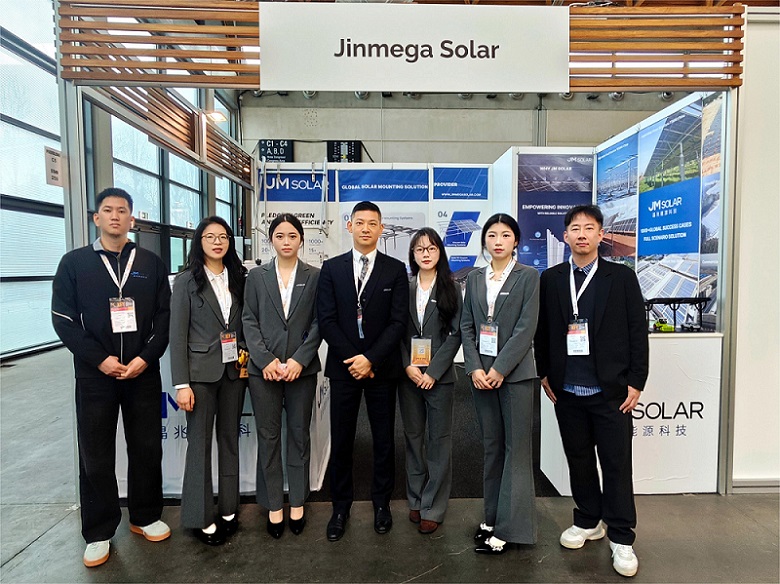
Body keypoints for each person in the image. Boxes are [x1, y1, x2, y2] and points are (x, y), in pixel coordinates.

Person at [51, 187, 171, 567]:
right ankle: (99, 530)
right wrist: (99, 359)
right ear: (96, 218)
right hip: (95, 375)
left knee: (147, 446)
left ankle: (145, 515)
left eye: (122, 211)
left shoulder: (150, 263)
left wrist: (145, 358)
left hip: (141, 373)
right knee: (96, 452)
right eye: (108, 210)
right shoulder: (74, 264)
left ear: (131, 219)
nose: (115, 216)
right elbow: (63, 320)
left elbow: (164, 317)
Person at [534, 204, 648, 578]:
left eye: (589, 228)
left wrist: (636, 380)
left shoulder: (622, 278)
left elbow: (637, 331)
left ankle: (621, 536)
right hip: (567, 390)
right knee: (579, 459)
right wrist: (544, 372)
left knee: (616, 465)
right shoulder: (551, 279)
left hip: (611, 392)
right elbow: (542, 332)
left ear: (601, 235)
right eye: (575, 228)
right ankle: (587, 519)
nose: (581, 234)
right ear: (565, 236)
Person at [317, 201, 408, 541]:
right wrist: (354, 359)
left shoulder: (395, 269)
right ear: (350, 226)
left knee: (384, 440)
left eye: (373, 223)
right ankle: (340, 507)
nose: (366, 228)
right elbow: (326, 319)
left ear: (381, 228)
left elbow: (398, 322)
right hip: (344, 370)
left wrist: (370, 359)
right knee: (342, 440)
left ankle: (382, 503)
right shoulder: (332, 268)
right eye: (360, 222)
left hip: (381, 369)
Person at [460, 213, 539, 555]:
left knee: (515, 450)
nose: (498, 241)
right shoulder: (475, 278)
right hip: (481, 376)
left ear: (515, 241)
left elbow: (526, 328)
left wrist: (501, 369)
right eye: (492, 235)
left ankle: (511, 529)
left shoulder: (529, 276)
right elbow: (466, 326)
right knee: (492, 447)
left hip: (515, 375)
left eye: (505, 235)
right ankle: (492, 518)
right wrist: (475, 368)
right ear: (485, 241)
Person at [243, 214, 321, 539]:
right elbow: (248, 320)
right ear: (271, 240)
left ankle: (298, 501)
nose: (286, 241)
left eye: (292, 235)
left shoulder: (315, 276)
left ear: (301, 239)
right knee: (269, 437)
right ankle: (274, 505)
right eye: (279, 235)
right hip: (265, 372)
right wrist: (266, 360)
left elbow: (320, 322)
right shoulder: (256, 277)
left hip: (302, 371)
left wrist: (300, 360)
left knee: (299, 436)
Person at [170, 216, 247, 546]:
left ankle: (229, 508)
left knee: (230, 440)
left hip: (234, 372)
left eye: (223, 236)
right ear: (199, 241)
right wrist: (181, 384)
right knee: (199, 445)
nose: (218, 242)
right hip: (200, 375)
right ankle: (199, 518)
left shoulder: (239, 277)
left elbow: (245, 323)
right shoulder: (187, 281)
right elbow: (177, 334)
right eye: (210, 236)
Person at [398, 228, 462, 535]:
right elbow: (396, 331)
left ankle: (433, 505)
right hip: (409, 376)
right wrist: (407, 366)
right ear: (412, 254)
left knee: (438, 441)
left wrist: (434, 371)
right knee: (413, 438)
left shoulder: (452, 288)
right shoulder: (405, 287)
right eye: (420, 249)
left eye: (432, 248)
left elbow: (456, 334)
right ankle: (415, 497)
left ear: (440, 253)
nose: (426, 254)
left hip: (440, 378)